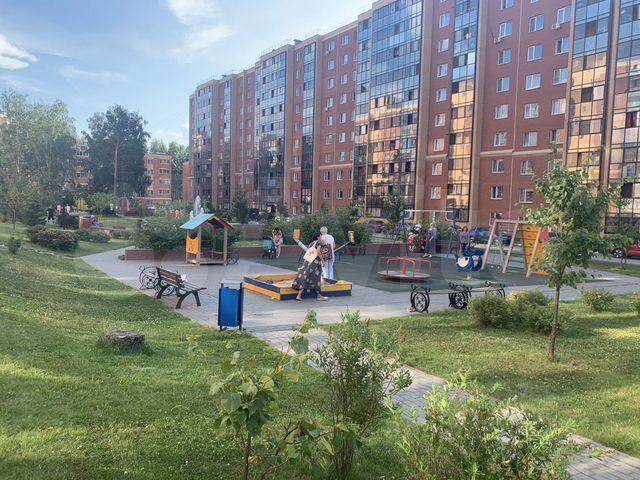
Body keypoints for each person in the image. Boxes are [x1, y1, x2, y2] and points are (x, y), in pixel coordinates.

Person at [293, 232, 328, 302]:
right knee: (316, 278)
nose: (321, 237)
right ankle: (318, 296)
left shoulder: (312, 243)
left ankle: (300, 295)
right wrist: (322, 261)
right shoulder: (318, 242)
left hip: (308, 262)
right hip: (315, 263)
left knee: (306, 277)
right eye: (321, 236)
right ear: (318, 237)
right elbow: (318, 251)